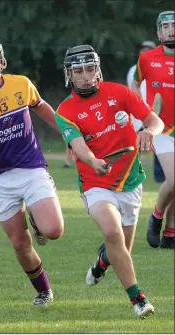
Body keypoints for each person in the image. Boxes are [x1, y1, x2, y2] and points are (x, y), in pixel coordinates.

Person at [55, 44, 164, 318]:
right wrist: (94, 162)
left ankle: (103, 261)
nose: (85, 76)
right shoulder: (65, 110)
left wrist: (149, 131)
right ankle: (138, 299)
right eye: (78, 71)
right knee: (112, 232)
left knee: (120, 251)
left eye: (90, 69)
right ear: (69, 74)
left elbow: (155, 120)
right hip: (96, 183)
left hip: (130, 181)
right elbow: (79, 148)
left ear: (98, 69)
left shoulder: (119, 93)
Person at [0, 35, 64, 306]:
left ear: (1, 55)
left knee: (53, 230)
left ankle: (37, 213)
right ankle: (44, 291)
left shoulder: (21, 84)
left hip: (31, 168)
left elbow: (43, 109)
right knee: (20, 244)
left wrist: (69, 136)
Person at [131, 11, 175, 249]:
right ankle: (157, 217)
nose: (170, 30)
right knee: (174, 178)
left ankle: (170, 234)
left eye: (174, 26)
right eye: (166, 26)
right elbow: (136, 84)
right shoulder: (147, 59)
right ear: (159, 32)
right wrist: (142, 112)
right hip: (162, 129)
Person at [127, 41, 165, 184]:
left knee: (158, 143)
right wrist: (143, 113)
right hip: (139, 113)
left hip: (156, 113)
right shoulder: (133, 70)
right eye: (143, 49)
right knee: (135, 146)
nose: (145, 52)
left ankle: (161, 176)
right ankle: (130, 174)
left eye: (148, 49)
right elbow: (134, 91)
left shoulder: (159, 68)